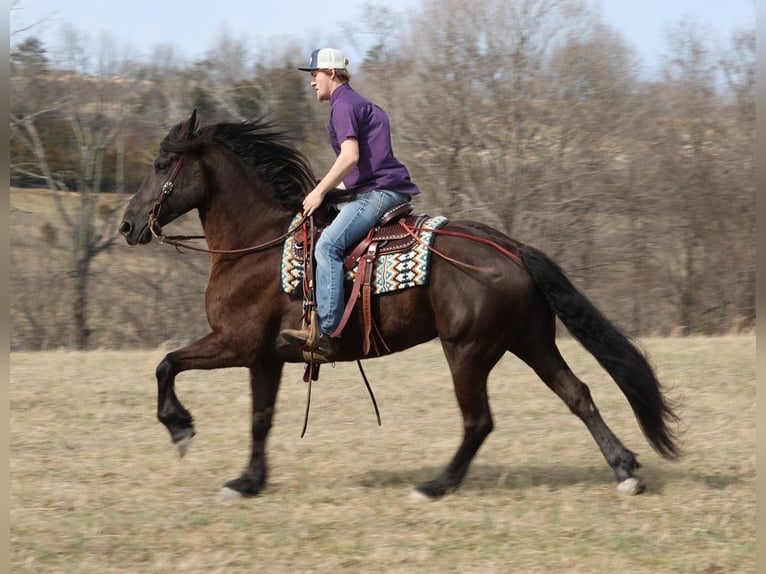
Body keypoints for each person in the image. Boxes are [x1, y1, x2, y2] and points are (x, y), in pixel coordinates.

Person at [280, 48, 420, 362]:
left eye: (314, 75)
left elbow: (350, 157)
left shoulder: (342, 106)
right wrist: (332, 193)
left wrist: (318, 191)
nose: (312, 83)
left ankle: (327, 333)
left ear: (331, 73)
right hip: (381, 188)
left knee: (327, 246)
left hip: (379, 194)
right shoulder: (361, 104)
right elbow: (364, 168)